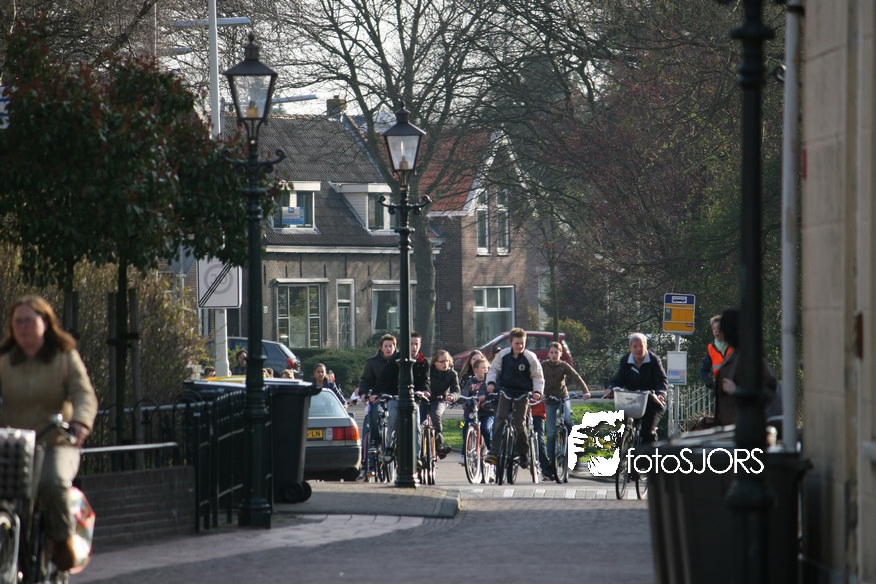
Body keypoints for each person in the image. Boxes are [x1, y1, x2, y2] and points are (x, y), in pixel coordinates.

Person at [0, 295, 98, 571]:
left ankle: (62, 542)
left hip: (55, 442)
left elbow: (84, 394)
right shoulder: (4, 360)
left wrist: (80, 422)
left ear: (45, 322)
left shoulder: (64, 357)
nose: (23, 327)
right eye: (18, 322)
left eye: (29, 321)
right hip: (13, 445)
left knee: (52, 483)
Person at [483, 328, 544, 469]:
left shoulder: (530, 357)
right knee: (500, 419)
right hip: (506, 391)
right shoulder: (503, 355)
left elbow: (537, 376)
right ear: (510, 343)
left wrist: (537, 391)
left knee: (519, 423)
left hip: (522, 393)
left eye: (522, 343)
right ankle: (494, 451)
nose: (520, 346)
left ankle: (523, 453)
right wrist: (490, 383)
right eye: (517, 343)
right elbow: (493, 370)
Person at [713, 308, 778, 426]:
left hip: (745, 428)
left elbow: (768, 390)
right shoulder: (734, 356)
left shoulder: (750, 358)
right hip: (731, 428)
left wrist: (736, 391)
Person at [371, 331, 430, 461]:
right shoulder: (396, 360)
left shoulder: (423, 362)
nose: (414, 347)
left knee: (416, 425)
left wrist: (425, 391)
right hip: (395, 396)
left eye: (416, 344)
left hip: (414, 399)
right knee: (393, 417)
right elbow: (384, 378)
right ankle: (390, 446)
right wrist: (376, 393)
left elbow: (425, 381)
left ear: (420, 345)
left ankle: (416, 457)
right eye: (411, 344)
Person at [604, 333, 667, 445]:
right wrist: (611, 389)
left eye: (641, 346)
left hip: (652, 403)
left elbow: (661, 380)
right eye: (635, 346)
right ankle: (623, 448)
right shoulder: (625, 361)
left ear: (646, 347)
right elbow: (618, 379)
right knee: (621, 428)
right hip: (632, 402)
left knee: (647, 432)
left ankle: (649, 454)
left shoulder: (654, 360)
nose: (638, 349)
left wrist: (660, 394)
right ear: (630, 348)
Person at [541, 341, 590, 480]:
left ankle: (572, 436)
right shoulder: (543, 365)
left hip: (563, 397)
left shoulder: (563, 366)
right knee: (551, 433)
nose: (554, 355)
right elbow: (536, 378)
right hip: (549, 399)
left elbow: (576, 377)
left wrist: (585, 391)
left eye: (556, 353)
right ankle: (551, 463)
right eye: (551, 352)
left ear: (560, 354)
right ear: (548, 353)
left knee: (567, 418)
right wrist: (538, 392)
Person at [354, 334, 397, 479]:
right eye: (386, 346)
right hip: (378, 396)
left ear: (395, 347)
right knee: (375, 413)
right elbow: (365, 380)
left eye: (391, 346)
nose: (388, 349)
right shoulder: (372, 363)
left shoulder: (399, 361)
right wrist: (364, 394)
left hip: (395, 396)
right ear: (381, 348)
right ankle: (375, 442)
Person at [458, 357, 494, 464]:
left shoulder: (489, 382)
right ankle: (464, 454)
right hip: (474, 411)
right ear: (476, 369)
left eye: (487, 368)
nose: (485, 370)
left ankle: (491, 451)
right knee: (466, 427)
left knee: (485, 428)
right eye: (483, 368)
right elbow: (464, 393)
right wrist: (462, 399)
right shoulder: (471, 382)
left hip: (487, 411)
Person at [425, 350, 460, 459]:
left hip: (439, 400)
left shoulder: (452, 374)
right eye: (442, 361)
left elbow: (456, 391)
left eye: (447, 361)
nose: (445, 364)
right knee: (419, 420)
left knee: (436, 416)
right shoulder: (428, 371)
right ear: (435, 362)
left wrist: (451, 396)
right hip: (425, 399)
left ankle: (439, 445)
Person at [699, 314, 732, 389]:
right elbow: (704, 370)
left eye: (719, 328)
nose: (716, 331)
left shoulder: (734, 345)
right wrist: (707, 380)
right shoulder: (711, 348)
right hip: (720, 387)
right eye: (714, 328)